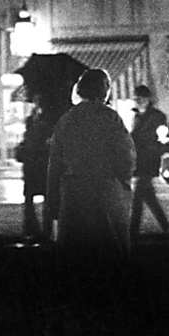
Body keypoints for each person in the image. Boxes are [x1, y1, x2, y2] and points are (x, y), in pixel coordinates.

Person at [47, 68, 135, 260]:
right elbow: (126, 157)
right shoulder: (110, 118)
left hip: (73, 195)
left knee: (77, 259)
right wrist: (122, 182)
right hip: (105, 193)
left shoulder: (66, 120)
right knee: (109, 255)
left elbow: (54, 165)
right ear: (104, 90)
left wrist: (53, 202)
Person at [17, 92, 62, 240]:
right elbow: (28, 136)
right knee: (29, 197)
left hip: (41, 163)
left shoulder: (48, 120)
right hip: (32, 162)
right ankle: (32, 228)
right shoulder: (32, 119)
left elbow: (49, 140)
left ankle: (45, 231)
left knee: (45, 198)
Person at [128, 84, 169, 241]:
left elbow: (163, 138)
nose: (137, 102)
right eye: (135, 99)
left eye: (139, 99)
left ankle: (132, 231)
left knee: (139, 195)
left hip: (149, 159)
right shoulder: (138, 116)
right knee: (148, 196)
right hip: (141, 160)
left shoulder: (156, 117)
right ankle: (165, 227)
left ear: (147, 99)